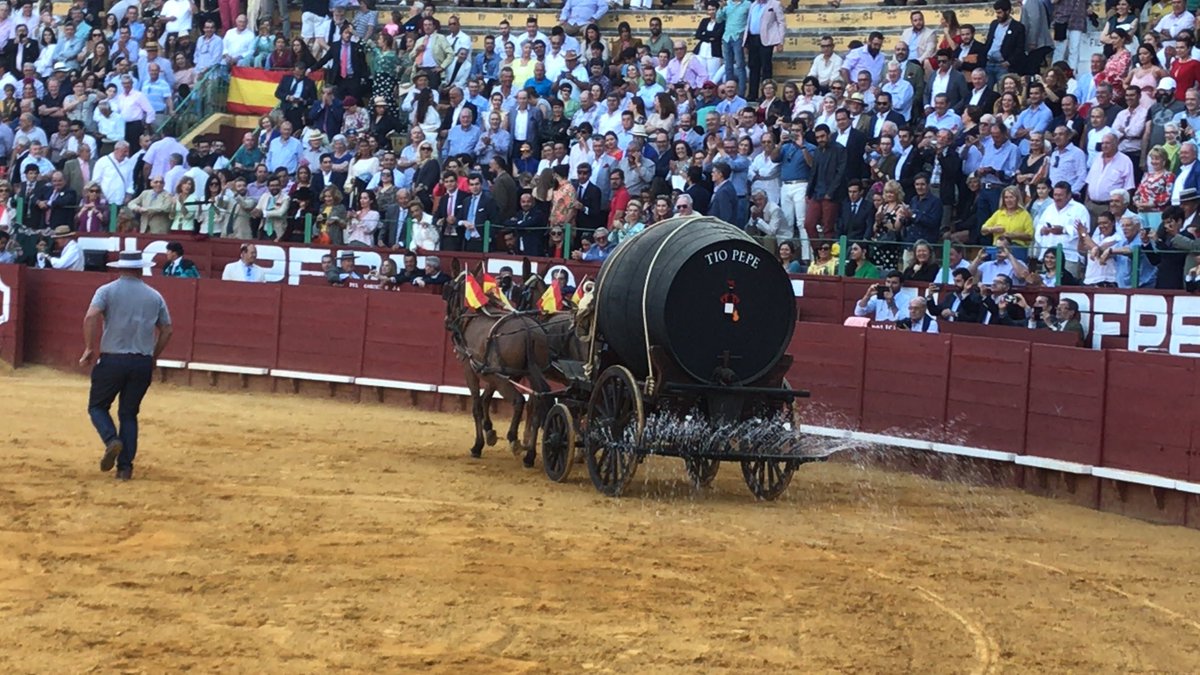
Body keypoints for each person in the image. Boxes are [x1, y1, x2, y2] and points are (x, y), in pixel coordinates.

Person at [80, 250, 172, 481]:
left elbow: (91, 317)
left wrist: (90, 348)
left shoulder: (107, 291)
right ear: (141, 269)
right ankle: (124, 469)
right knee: (129, 414)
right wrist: (152, 355)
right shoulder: (154, 296)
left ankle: (112, 440)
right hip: (141, 361)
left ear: (119, 268)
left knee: (97, 407)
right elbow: (167, 329)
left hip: (113, 359)